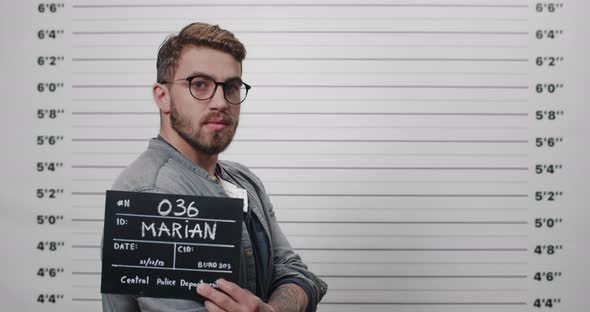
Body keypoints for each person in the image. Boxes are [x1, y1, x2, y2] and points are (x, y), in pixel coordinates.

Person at [101, 22, 327, 312]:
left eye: (231, 87)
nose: (220, 102)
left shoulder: (244, 180)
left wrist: (272, 310)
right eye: (199, 85)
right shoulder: (149, 194)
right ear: (163, 96)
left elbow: (297, 273)